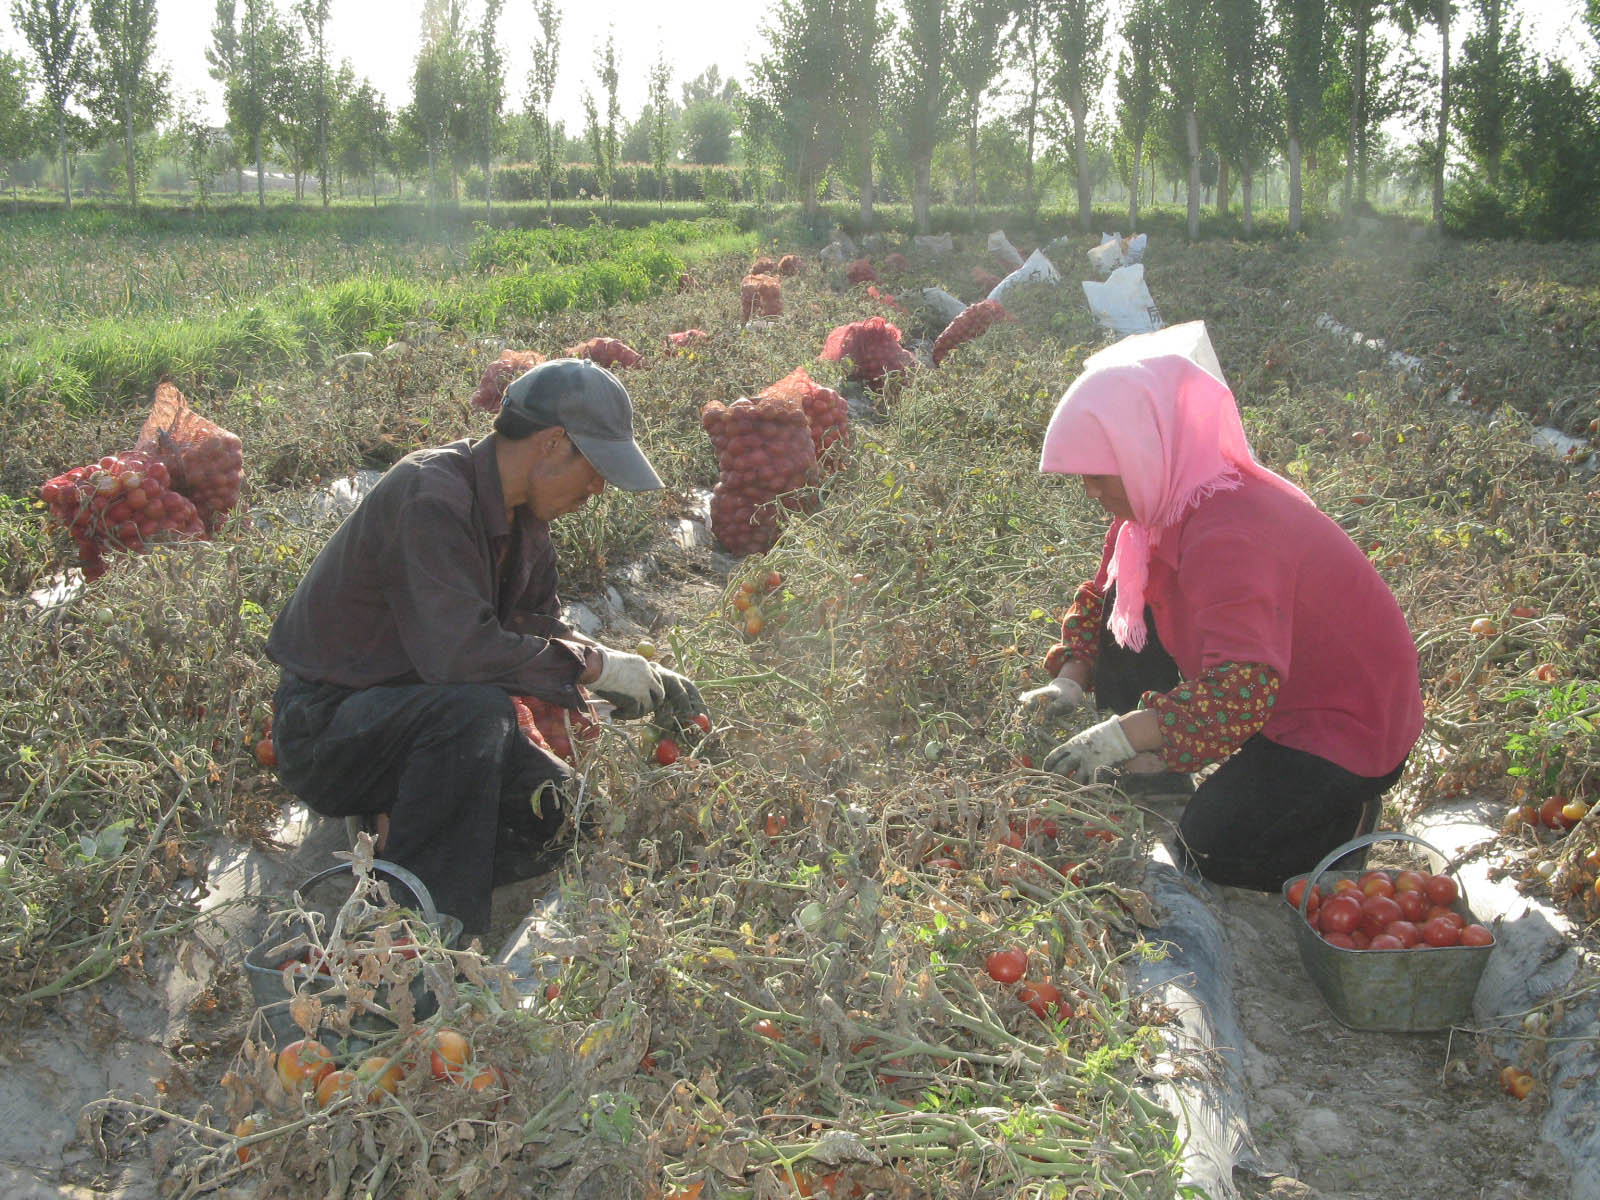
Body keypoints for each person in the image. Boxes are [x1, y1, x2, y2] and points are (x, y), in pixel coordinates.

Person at [266, 358, 704, 935]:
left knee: (561, 815)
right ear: (552, 443)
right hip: (330, 729)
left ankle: (397, 829)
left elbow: (535, 626)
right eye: (595, 469)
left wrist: (622, 668)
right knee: (475, 710)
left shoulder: (526, 526)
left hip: (413, 716)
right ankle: (420, 934)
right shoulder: (430, 496)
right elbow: (458, 654)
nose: (597, 490)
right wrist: (595, 667)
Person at [1019, 324, 1422, 891]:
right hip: (1277, 692)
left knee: (1211, 850)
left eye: (1096, 472)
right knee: (1126, 596)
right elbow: (1101, 599)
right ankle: (1154, 769)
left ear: (1145, 450)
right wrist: (1068, 678)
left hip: (1344, 724)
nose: (1089, 489)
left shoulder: (1230, 532)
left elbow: (1242, 690)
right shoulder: (1150, 514)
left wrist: (1119, 735)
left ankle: (1342, 818)